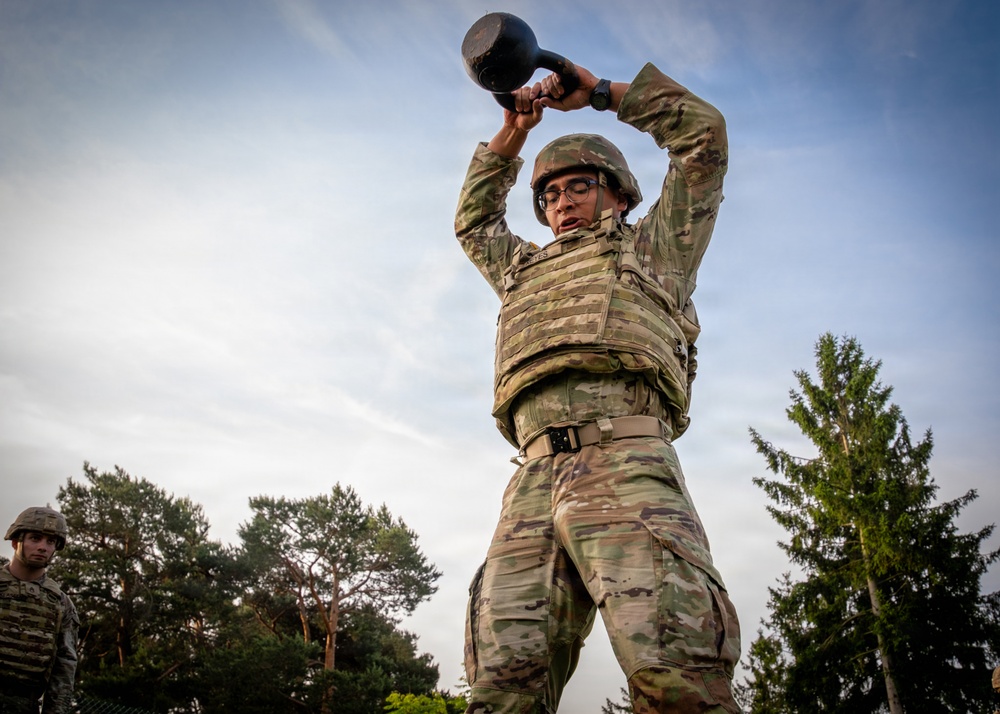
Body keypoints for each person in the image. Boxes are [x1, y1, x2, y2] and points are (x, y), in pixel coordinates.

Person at [455, 59, 741, 713]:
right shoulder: (522, 270)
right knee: (502, 688)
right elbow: (475, 226)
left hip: (625, 462)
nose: (561, 202)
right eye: (549, 195)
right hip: (530, 479)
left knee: (677, 675)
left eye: (577, 186)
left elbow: (704, 138)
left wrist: (606, 95)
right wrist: (510, 136)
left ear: (615, 193)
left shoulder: (654, 250)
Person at [0, 507, 79, 714]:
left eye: (50, 542)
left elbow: (64, 669)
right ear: (16, 542)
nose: (43, 547)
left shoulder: (61, 604)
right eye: (35, 538)